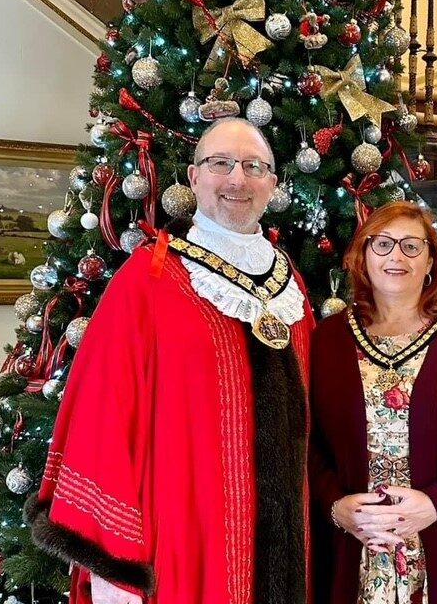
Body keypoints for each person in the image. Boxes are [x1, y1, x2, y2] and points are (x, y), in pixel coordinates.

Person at [26, 118, 314, 604]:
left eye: (253, 166)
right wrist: (117, 565)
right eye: (220, 163)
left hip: (287, 541)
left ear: (273, 183)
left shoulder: (291, 285)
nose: (237, 179)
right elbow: (103, 417)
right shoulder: (149, 280)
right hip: (183, 542)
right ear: (194, 176)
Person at [308, 201, 437, 604]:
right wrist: (336, 505)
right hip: (355, 543)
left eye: (411, 246)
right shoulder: (328, 339)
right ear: (362, 256)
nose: (396, 256)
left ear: (431, 263)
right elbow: (308, 438)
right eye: (382, 243)